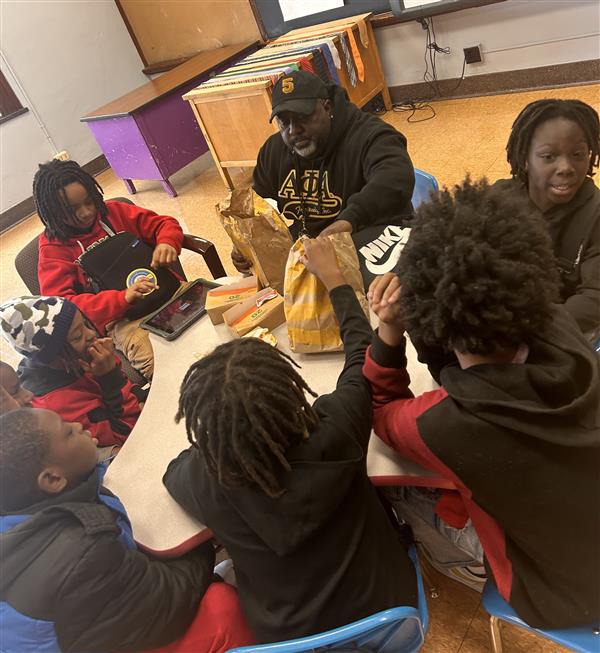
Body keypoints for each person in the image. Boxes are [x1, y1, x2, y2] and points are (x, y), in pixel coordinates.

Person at [363, 177, 600, 629]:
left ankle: (462, 565)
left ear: (429, 320)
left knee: (394, 485)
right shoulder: (560, 327)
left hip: (553, 595)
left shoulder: (445, 424)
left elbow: (380, 410)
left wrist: (390, 331)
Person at [164, 237, 417, 643]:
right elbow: (362, 357)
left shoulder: (205, 477)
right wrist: (334, 280)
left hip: (289, 641)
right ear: (292, 393)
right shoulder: (337, 427)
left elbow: (172, 472)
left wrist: (218, 437)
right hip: (389, 618)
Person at [0, 407, 254, 653]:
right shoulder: (81, 550)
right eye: (68, 432)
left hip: (93, 618)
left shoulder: (28, 508)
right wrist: (202, 540)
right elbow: (167, 602)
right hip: (113, 628)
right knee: (222, 608)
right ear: (53, 479)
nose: (78, 425)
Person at [232, 70, 415, 275]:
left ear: (327, 107)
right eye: (284, 121)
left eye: (302, 117)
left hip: (377, 240)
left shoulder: (371, 135)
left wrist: (348, 221)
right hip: (312, 254)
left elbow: (394, 179)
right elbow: (257, 204)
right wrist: (246, 240)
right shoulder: (273, 151)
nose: (293, 130)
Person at [34, 159, 185, 379]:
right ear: (53, 212)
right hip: (124, 321)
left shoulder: (113, 212)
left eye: (89, 202)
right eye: (72, 210)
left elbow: (164, 224)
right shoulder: (53, 249)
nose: (86, 213)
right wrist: (122, 298)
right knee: (162, 367)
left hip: (169, 291)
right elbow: (62, 307)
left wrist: (167, 242)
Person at [499, 98, 600, 338]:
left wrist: (524, 330)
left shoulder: (595, 216)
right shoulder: (499, 199)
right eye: (548, 156)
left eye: (578, 154)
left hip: (559, 331)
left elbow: (594, 299)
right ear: (525, 158)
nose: (566, 167)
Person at [0, 295, 143, 456]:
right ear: (51, 357)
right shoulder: (57, 404)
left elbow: (131, 390)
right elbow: (126, 437)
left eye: (85, 325)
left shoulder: (75, 360)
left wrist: (140, 395)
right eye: (77, 336)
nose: (91, 334)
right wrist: (110, 378)